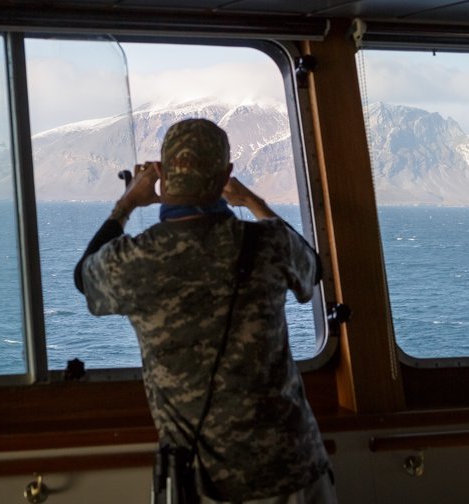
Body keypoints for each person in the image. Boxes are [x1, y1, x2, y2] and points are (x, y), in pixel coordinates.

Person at [75, 118, 335, 503]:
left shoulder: (134, 260)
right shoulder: (270, 243)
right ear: (226, 175)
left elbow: (84, 275)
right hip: (293, 470)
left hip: (203, 483)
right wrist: (252, 202)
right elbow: (313, 268)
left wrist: (128, 202)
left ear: (161, 175)